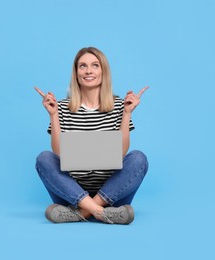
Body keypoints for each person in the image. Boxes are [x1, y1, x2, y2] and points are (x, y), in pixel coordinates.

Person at [34, 47, 149, 224]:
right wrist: (53, 115)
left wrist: (127, 113)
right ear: (76, 72)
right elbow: (59, 154)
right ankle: (98, 212)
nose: (88, 71)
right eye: (83, 66)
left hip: (112, 195)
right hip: (71, 194)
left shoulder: (119, 105)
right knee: (44, 158)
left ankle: (81, 213)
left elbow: (120, 154)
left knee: (139, 158)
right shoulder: (62, 107)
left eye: (95, 65)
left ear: (103, 71)